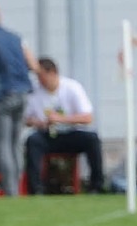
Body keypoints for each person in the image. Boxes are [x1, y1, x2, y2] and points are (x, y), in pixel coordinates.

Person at [0, 2, 39, 197]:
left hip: (0, 97)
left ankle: (10, 190)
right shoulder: (18, 38)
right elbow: (33, 65)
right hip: (22, 94)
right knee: (15, 143)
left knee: (2, 145)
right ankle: (18, 186)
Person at [24, 58, 104, 195]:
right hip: (47, 134)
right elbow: (26, 119)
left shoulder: (72, 87)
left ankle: (96, 185)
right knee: (32, 141)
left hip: (71, 133)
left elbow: (87, 117)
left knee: (92, 139)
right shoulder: (34, 91)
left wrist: (63, 119)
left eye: (42, 75)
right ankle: (36, 188)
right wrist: (40, 122)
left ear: (53, 73)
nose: (40, 80)